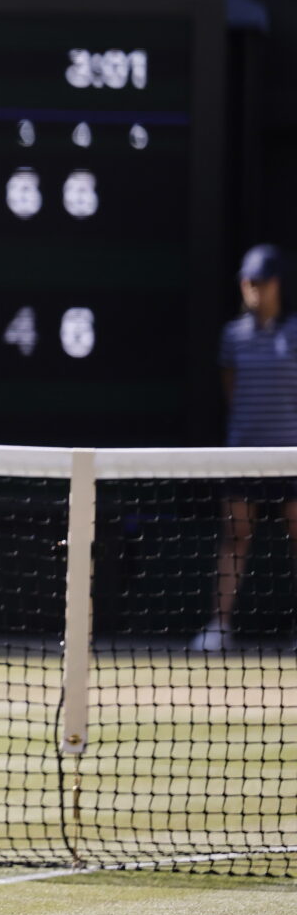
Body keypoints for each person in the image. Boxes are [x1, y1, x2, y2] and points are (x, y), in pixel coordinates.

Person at [193, 245, 297, 653]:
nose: (254, 289)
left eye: (262, 281)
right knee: (235, 536)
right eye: (248, 281)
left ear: (277, 285)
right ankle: (219, 626)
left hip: (291, 457)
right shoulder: (232, 336)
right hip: (242, 454)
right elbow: (231, 390)